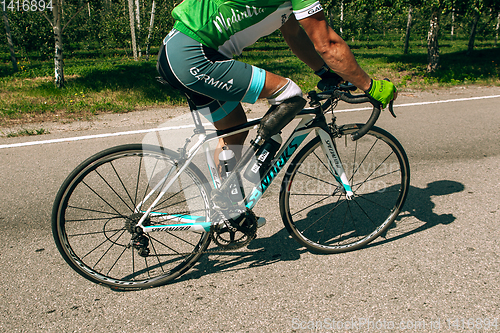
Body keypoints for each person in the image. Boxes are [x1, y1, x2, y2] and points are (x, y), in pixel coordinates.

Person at [157, 0, 396, 173]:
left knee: (235, 130)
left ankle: (221, 207)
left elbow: (295, 35)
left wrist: (324, 72)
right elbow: (328, 45)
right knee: (290, 93)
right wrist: (370, 85)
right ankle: (258, 162)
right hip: (195, 57)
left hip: (177, 51)